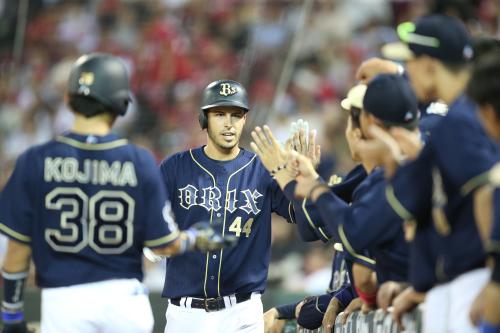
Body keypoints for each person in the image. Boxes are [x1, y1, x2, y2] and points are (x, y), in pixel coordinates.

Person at [0, 53, 235, 333]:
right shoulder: (139, 161)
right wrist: (196, 238)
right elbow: (164, 245)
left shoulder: (35, 160)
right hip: (124, 302)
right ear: (122, 104)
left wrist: (12, 313)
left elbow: (17, 249)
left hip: (63, 302)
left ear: (69, 99)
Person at [363, 14, 497, 332]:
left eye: (409, 61)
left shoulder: (461, 120)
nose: (406, 71)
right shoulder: (457, 118)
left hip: (477, 280)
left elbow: (487, 196)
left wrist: (495, 278)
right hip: (459, 280)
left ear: (427, 63)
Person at [158, 79, 295, 333]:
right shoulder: (175, 168)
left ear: (245, 119)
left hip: (242, 313)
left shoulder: (263, 168)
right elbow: (149, 224)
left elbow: (305, 217)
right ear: (204, 119)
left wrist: (300, 178)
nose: (229, 123)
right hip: (186, 314)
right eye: (219, 114)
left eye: (236, 115)